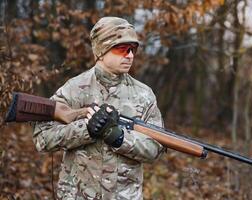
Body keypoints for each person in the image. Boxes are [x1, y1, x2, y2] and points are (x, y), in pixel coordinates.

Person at [33, 17, 165, 200]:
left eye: (133, 49)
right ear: (101, 50)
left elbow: (155, 148)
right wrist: (85, 130)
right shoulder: (73, 89)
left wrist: (118, 137)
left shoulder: (144, 95)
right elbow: (42, 138)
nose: (130, 55)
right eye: (122, 49)